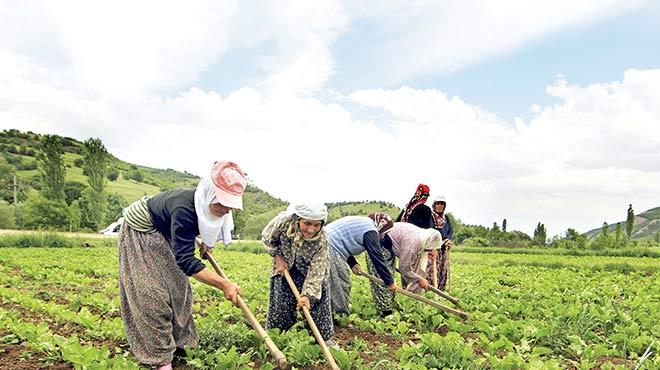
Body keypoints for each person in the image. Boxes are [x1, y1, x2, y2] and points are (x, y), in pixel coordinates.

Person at [118, 161, 246, 370]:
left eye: (230, 205)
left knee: (179, 289)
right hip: (141, 230)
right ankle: (159, 358)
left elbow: (206, 225)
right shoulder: (184, 209)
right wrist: (224, 284)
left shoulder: (214, 208)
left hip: (166, 230)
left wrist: (207, 243)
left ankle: (182, 345)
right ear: (210, 195)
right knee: (152, 294)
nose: (226, 209)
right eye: (222, 204)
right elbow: (186, 261)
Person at [262, 203, 337, 349]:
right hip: (284, 263)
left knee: (318, 302)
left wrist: (307, 296)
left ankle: (323, 338)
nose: (311, 229)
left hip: (309, 269)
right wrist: (277, 257)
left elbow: (317, 271)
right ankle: (278, 335)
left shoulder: (322, 239)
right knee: (281, 300)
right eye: (307, 223)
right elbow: (267, 238)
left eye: (316, 225)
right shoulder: (282, 223)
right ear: (297, 220)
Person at [325, 213, 398, 315]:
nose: (383, 236)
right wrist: (389, 281)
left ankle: (327, 312)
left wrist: (353, 263)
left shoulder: (364, 223)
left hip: (328, 242)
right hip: (329, 246)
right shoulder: (370, 231)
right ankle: (340, 316)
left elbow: (343, 239)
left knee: (327, 282)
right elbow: (376, 257)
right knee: (341, 283)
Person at [371, 222, 443, 315]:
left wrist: (433, 249)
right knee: (383, 279)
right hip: (379, 245)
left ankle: (390, 307)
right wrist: (419, 279)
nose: (428, 252)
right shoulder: (412, 244)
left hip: (388, 244)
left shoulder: (422, 235)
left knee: (389, 277)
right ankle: (384, 312)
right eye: (429, 249)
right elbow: (404, 268)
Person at [427, 195, 454, 290]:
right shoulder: (431, 217)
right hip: (434, 247)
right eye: (438, 204)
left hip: (444, 247)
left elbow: (450, 231)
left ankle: (441, 289)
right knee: (433, 269)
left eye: (442, 204)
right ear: (434, 205)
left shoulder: (446, 218)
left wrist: (449, 240)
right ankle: (432, 289)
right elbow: (431, 231)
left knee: (443, 269)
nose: (440, 206)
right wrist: (438, 242)